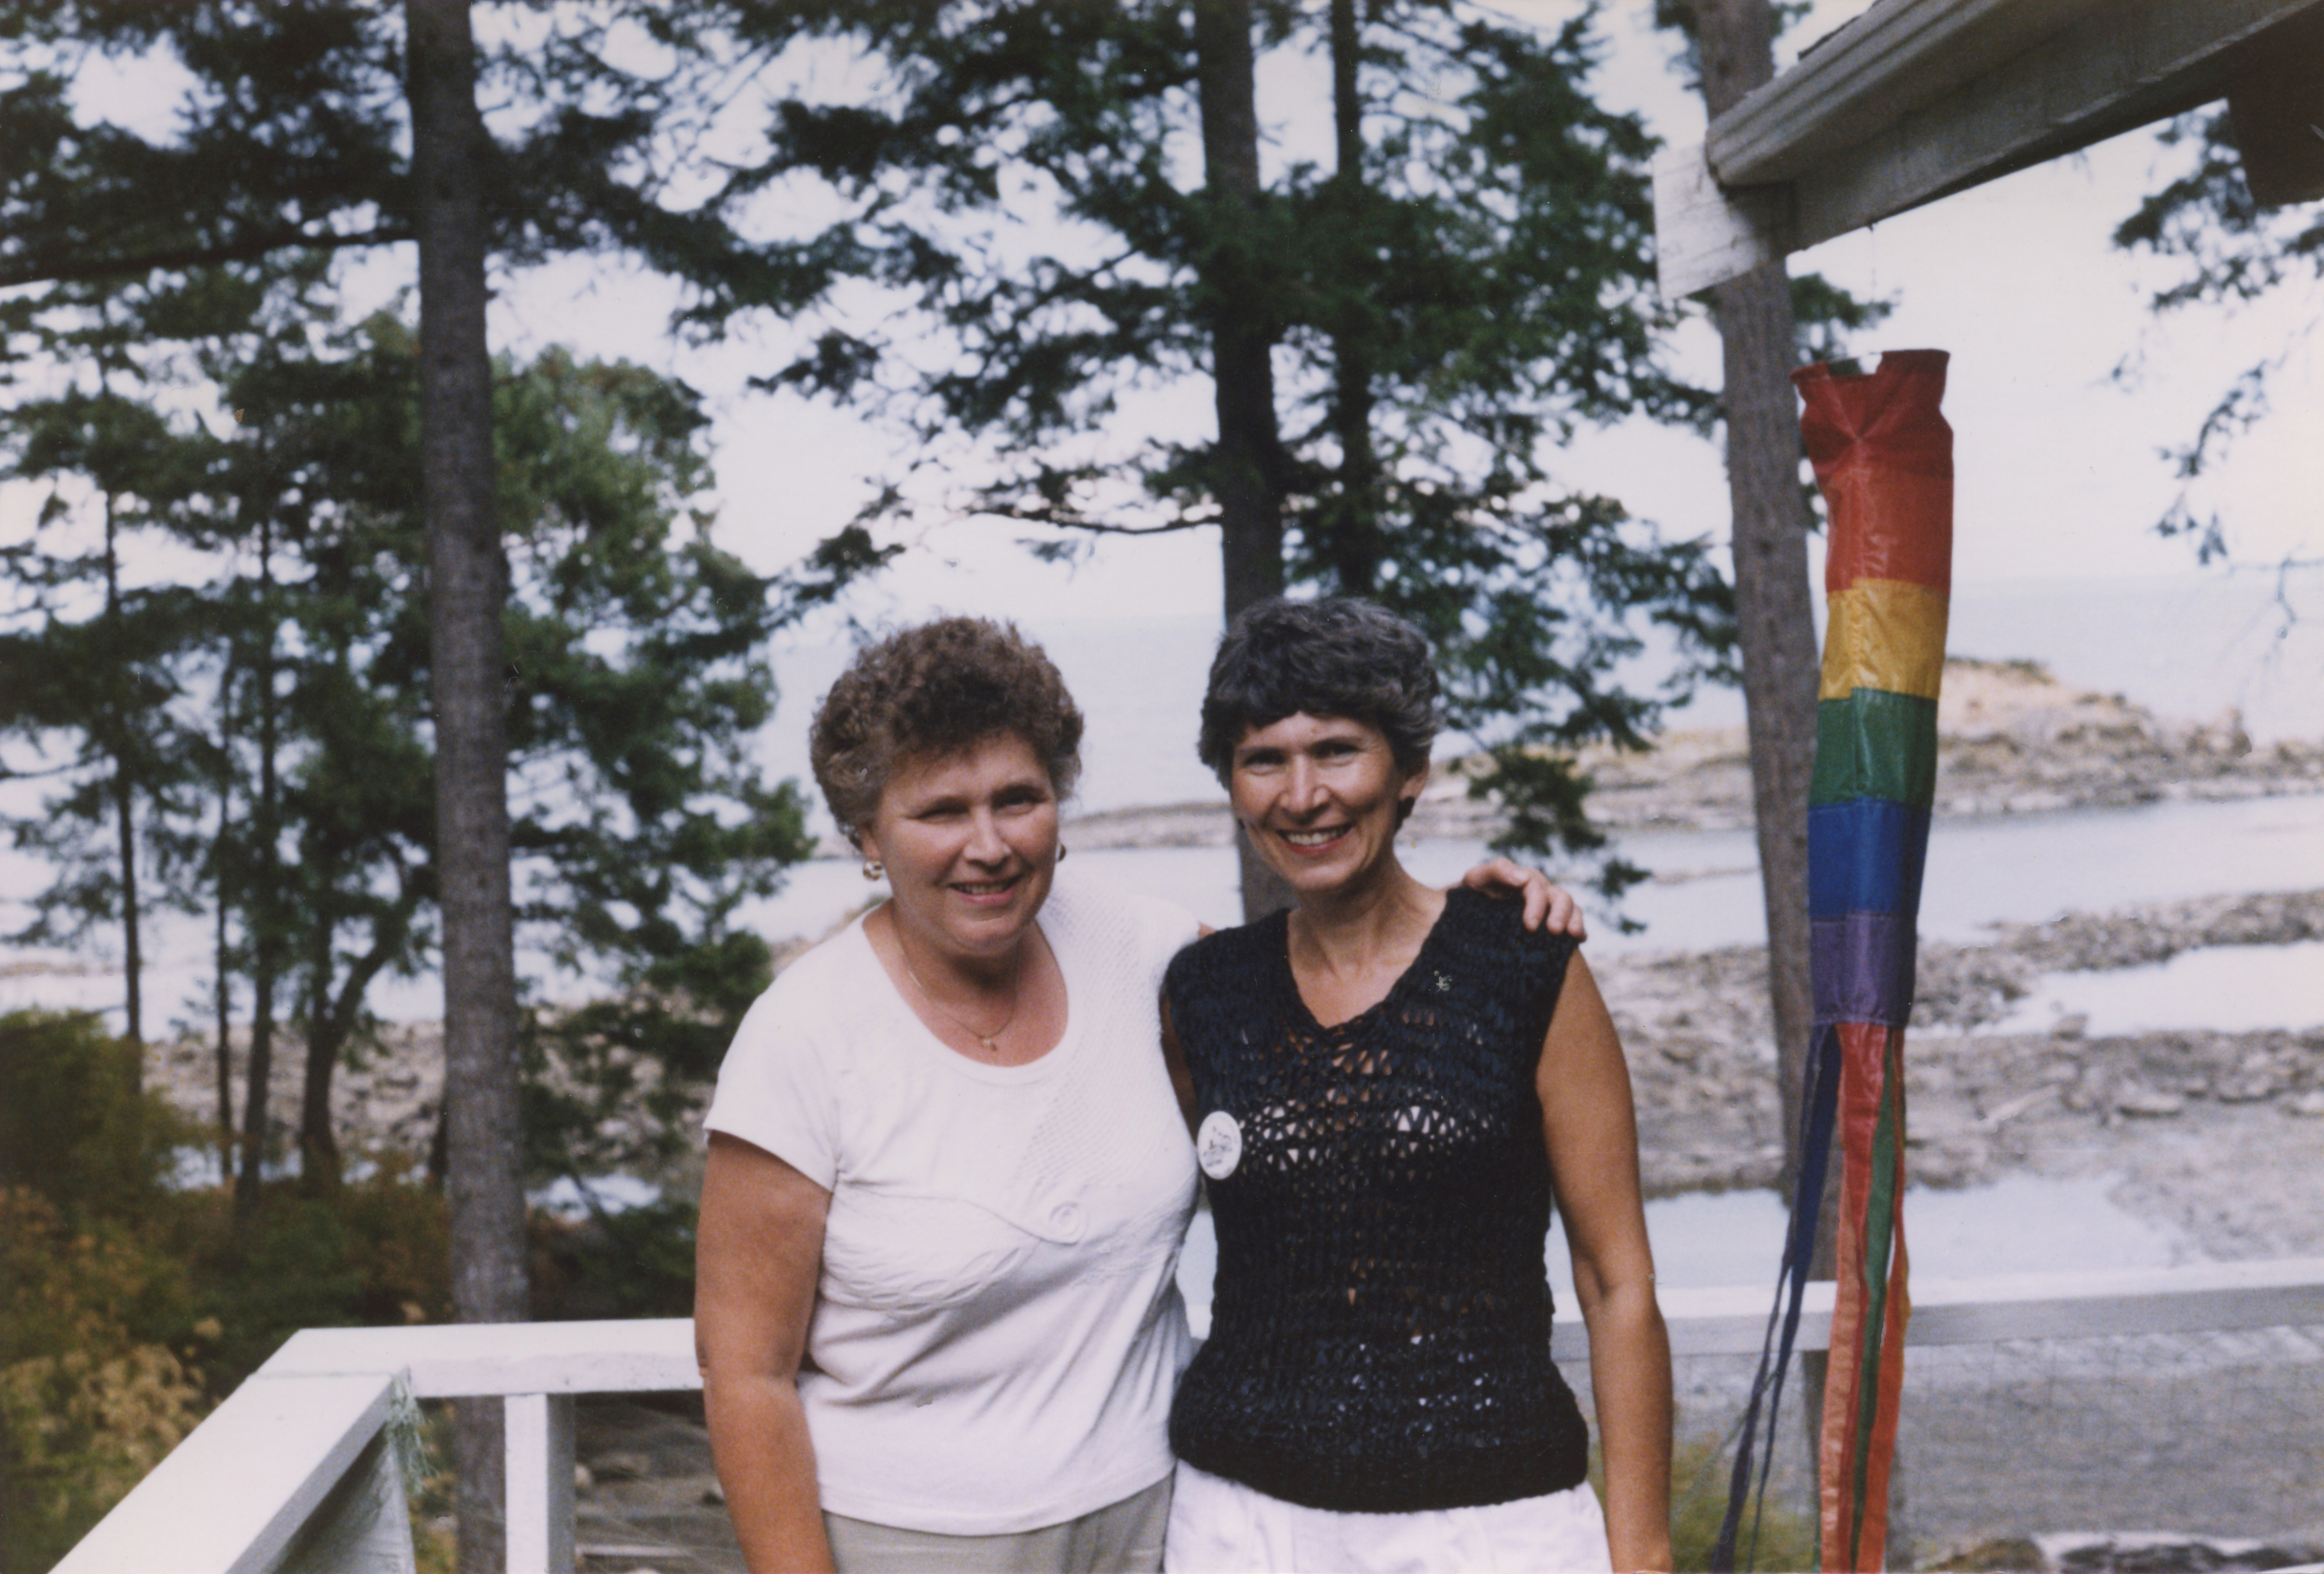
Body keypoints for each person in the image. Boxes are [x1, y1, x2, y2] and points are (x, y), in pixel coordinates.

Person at [694, 615, 1582, 1574]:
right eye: (940, 811)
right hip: (911, 1541)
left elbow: (1340, 986)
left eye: (1018, 799)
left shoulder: (1153, 955)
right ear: (866, 832)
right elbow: (746, 1373)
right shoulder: (802, 1037)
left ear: (1060, 807)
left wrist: (1464, 922)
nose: (987, 845)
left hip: (1159, 1522)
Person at [1160, 597, 1672, 1574]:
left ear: (1412, 770)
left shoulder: (1523, 966)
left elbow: (1615, 1281)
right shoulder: (1204, 990)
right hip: (1238, 1525)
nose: (1302, 795)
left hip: (1490, 1524)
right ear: (1230, 784)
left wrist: (1641, 1553)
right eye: (1263, 759)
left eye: (1339, 751)